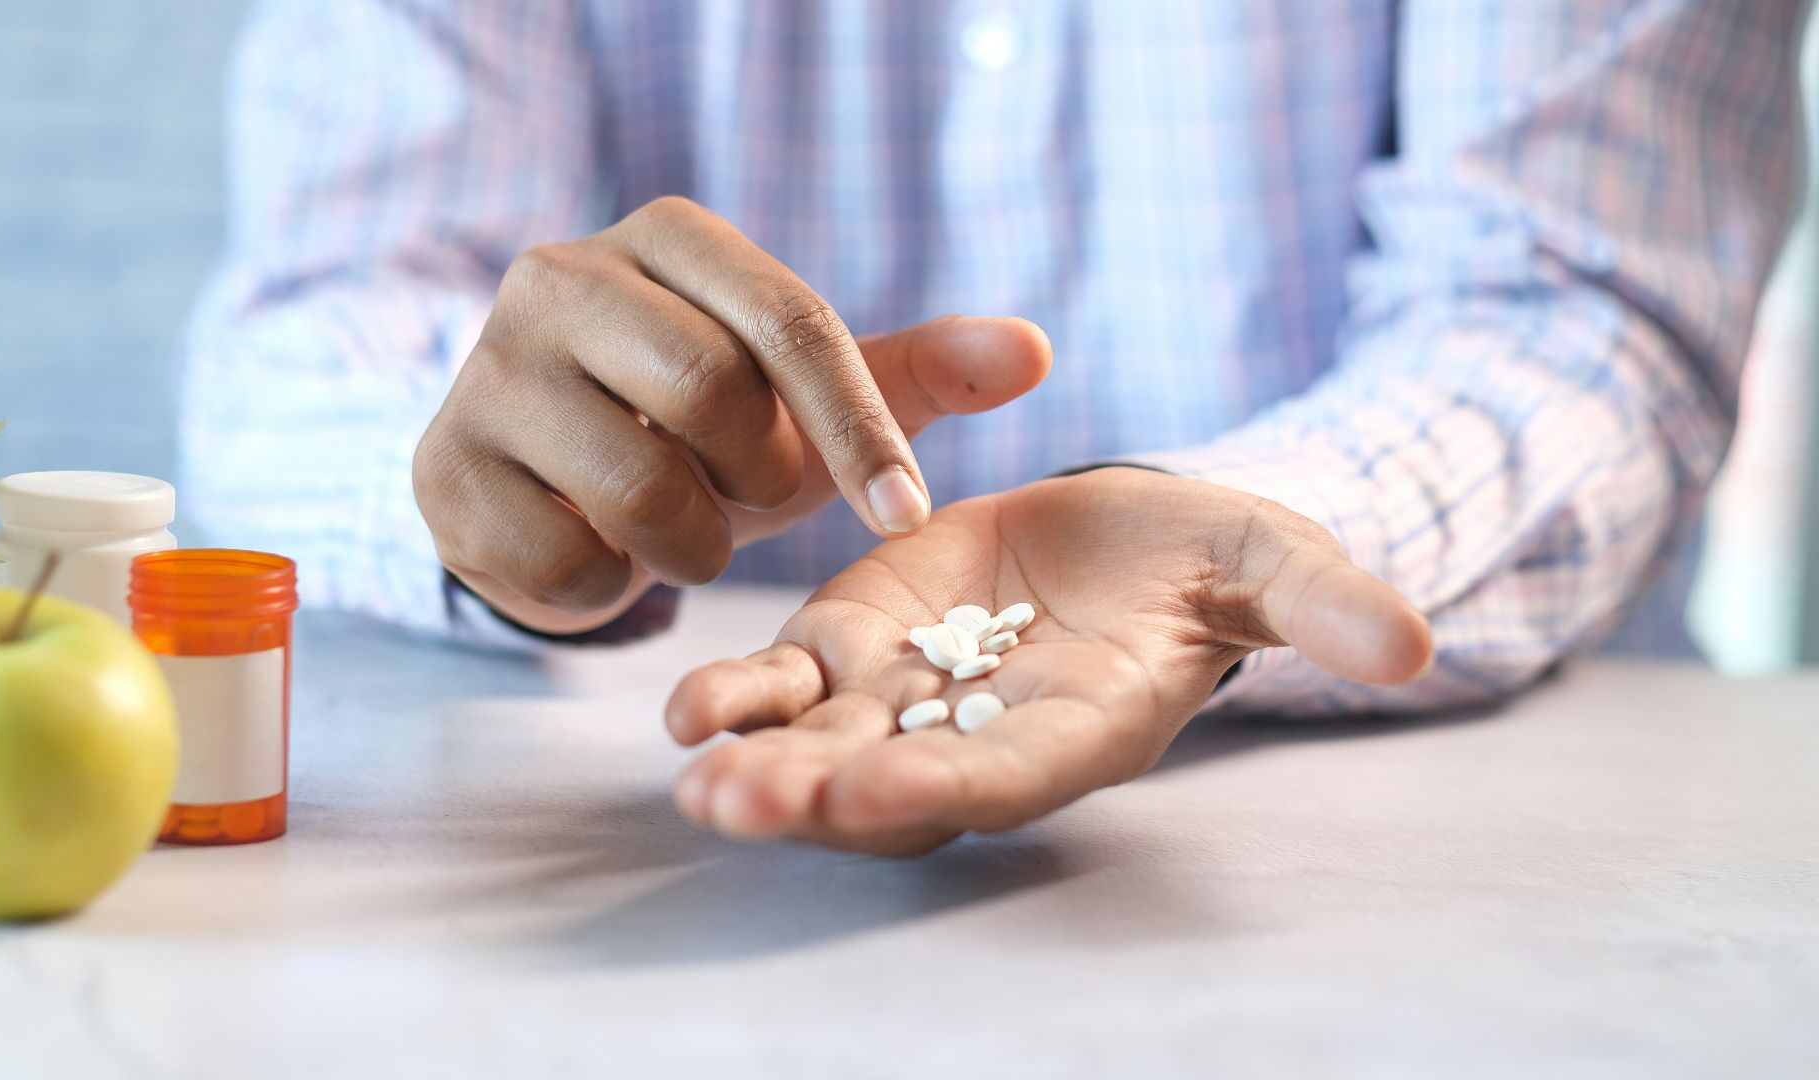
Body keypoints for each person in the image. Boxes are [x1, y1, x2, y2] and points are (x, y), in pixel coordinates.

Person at [182, 1, 1807, 854]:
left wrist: (1232, 533)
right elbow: (313, 333)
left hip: (1485, 861)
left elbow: (1575, 305)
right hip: (627, 817)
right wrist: (500, 477)